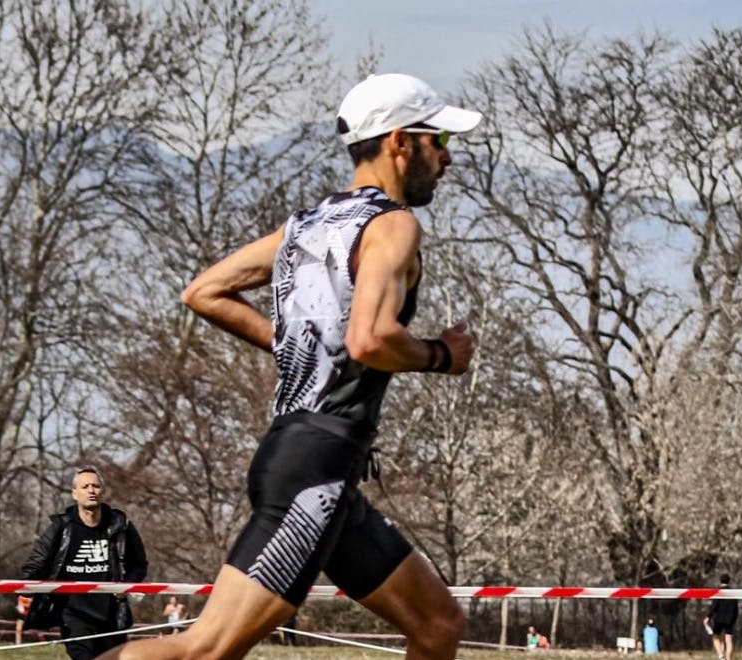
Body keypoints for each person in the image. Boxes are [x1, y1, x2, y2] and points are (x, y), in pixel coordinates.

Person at [100, 72, 482, 660]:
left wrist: (298, 345)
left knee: (438, 625)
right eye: (441, 140)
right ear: (400, 141)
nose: (448, 157)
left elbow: (205, 291)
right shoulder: (394, 224)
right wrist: (440, 355)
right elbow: (370, 339)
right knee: (205, 649)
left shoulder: (309, 225)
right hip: (314, 472)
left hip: (316, 466)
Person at [20, 466, 148, 660]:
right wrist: (27, 589)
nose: (91, 490)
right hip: (74, 615)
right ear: (75, 494)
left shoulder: (120, 525)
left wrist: (126, 585)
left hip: (112, 615)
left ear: (102, 491)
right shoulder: (61, 527)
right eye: (85, 486)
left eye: (95, 486)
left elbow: (139, 564)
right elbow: (34, 565)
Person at [703, 574, 739, 660]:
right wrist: (734, 618)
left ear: (720, 581)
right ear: (729, 581)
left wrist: (708, 617)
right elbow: (736, 608)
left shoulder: (718, 591)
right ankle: (728, 659)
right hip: (730, 619)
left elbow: (714, 607)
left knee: (715, 636)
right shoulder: (733, 593)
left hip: (718, 618)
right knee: (729, 641)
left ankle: (720, 655)